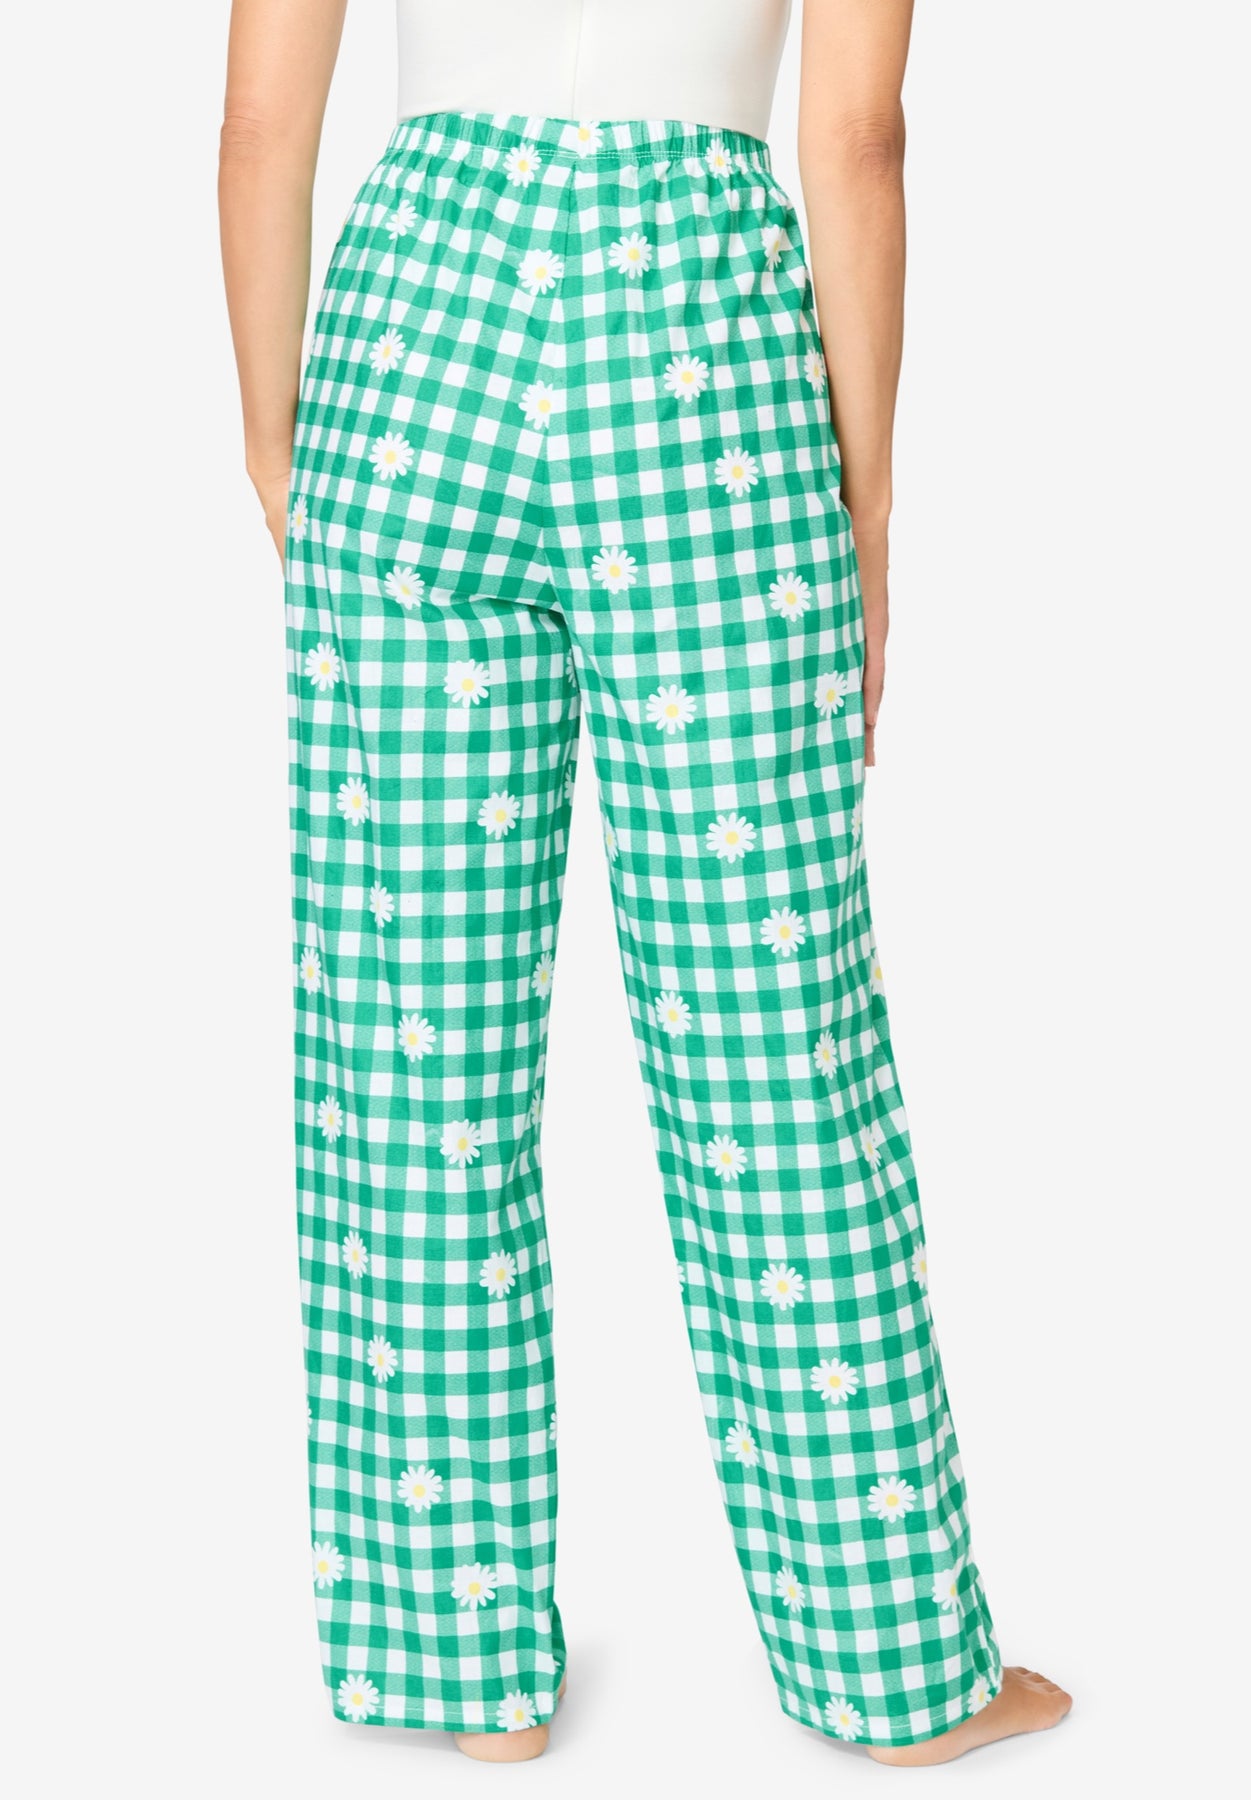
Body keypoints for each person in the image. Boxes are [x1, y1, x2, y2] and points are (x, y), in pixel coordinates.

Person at [219, 0, 1071, 1767]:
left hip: (411, 339)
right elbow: (857, 141)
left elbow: (257, 129)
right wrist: (868, 505)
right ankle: (891, 1665)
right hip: (702, 358)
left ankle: (449, 1669)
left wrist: (274, 434)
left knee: (406, 1042)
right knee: (773, 1040)